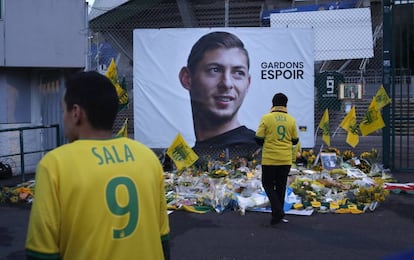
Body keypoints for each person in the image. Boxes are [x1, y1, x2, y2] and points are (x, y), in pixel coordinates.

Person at [25, 71, 170, 260]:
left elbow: (41, 253)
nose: (64, 118)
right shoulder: (147, 158)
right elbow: (163, 239)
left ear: (76, 113)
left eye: (63, 111)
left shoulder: (55, 165)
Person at [178, 31, 258, 151]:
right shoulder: (182, 157)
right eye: (214, 70)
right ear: (187, 79)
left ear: (248, 83)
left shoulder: (260, 151)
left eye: (238, 73)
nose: (226, 84)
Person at [255, 93, 299, 227]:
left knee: (267, 184)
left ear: (273, 103)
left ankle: (278, 210)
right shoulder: (291, 120)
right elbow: (295, 140)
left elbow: (258, 137)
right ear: (285, 104)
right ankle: (276, 216)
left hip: (270, 159)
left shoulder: (267, 118)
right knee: (280, 186)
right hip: (285, 159)